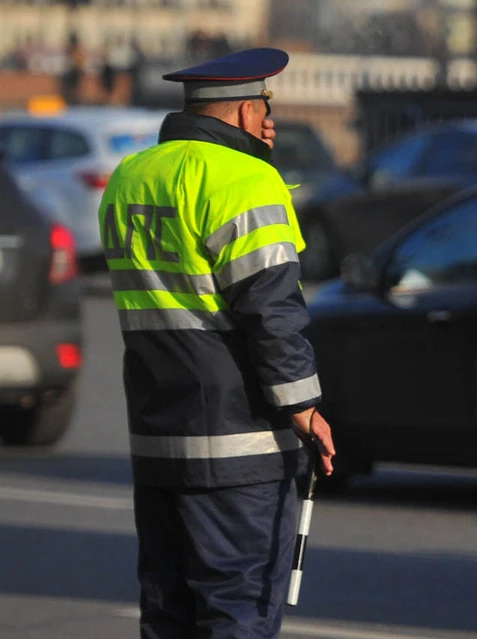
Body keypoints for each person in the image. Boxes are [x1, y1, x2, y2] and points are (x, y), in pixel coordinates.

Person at [97, 47, 336, 639]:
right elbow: (272, 310)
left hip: (158, 438)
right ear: (238, 113)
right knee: (236, 611)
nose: (270, 122)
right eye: (264, 107)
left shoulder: (131, 175)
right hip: (239, 447)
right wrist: (303, 408)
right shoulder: (247, 180)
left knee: (169, 614)